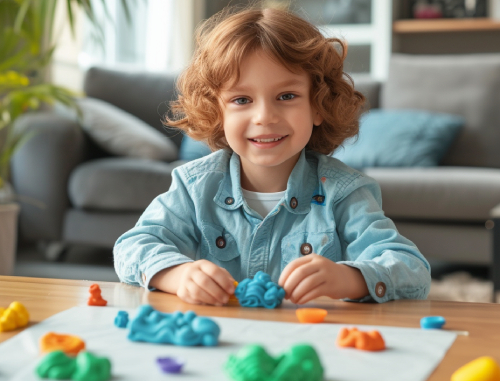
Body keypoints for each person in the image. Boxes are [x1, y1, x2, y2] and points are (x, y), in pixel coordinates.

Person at [113, 6, 431, 306]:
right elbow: (132, 247)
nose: (264, 116)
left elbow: (411, 269)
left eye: (287, 96)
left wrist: (349, 279)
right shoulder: (193, 187)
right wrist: (176, 274)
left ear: (317, 105)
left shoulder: (344, 193)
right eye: (241, 99)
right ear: (217, 111)